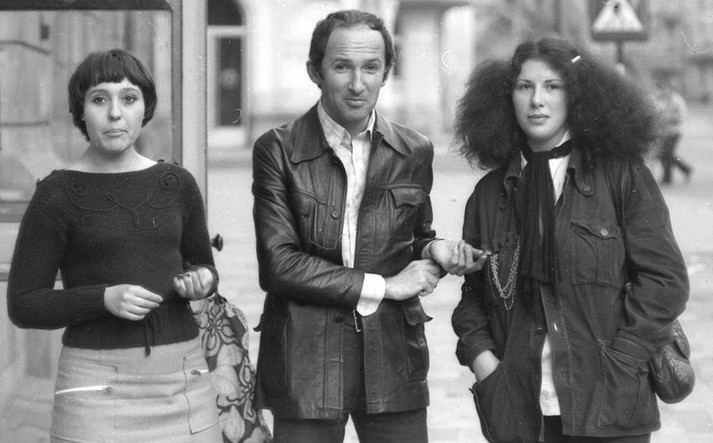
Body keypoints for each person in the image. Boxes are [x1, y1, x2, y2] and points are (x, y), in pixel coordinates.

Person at [251, 9, 482, 443]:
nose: (358, 84)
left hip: (392, 359)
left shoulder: (414, 149)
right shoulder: (278, 149)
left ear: (386, 73)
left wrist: (434, 250)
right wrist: (386, 286)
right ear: (315, 72)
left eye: (371, 68)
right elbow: (279, 265)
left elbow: (414, 237)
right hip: (307, 363)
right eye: (342, 67)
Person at [451, 38, 689, 442]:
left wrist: (625, 356)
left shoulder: (621, 176)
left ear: (576, 95)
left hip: (610, 402)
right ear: (507, 97)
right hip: (520, 408)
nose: (537, 100)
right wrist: (483, 361)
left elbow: (665, 281)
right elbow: (474, 296)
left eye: (553, 86)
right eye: (524, 87)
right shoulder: (489, 195)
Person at [7, 49, 222, 442]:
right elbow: (24, 303)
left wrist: (201, 281)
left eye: (129, 98)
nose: (115, 113)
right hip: (94, 388)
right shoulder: (56, 194)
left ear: (145, 107)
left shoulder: (177, 184)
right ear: (81, 110)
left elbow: (203, 267)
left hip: (183, 381)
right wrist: (103, 298)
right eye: (99, 99)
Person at [653, 77, 691, 185]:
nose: (659, 92)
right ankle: (685, 170)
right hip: (663, 132)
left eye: (661, 89)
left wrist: (668, 118)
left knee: (666, 153)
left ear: (667, 89)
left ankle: (668, 178)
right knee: (665, 153)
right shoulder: (659, 100)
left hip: (675, 131)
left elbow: (682, 116)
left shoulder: (676, 100)